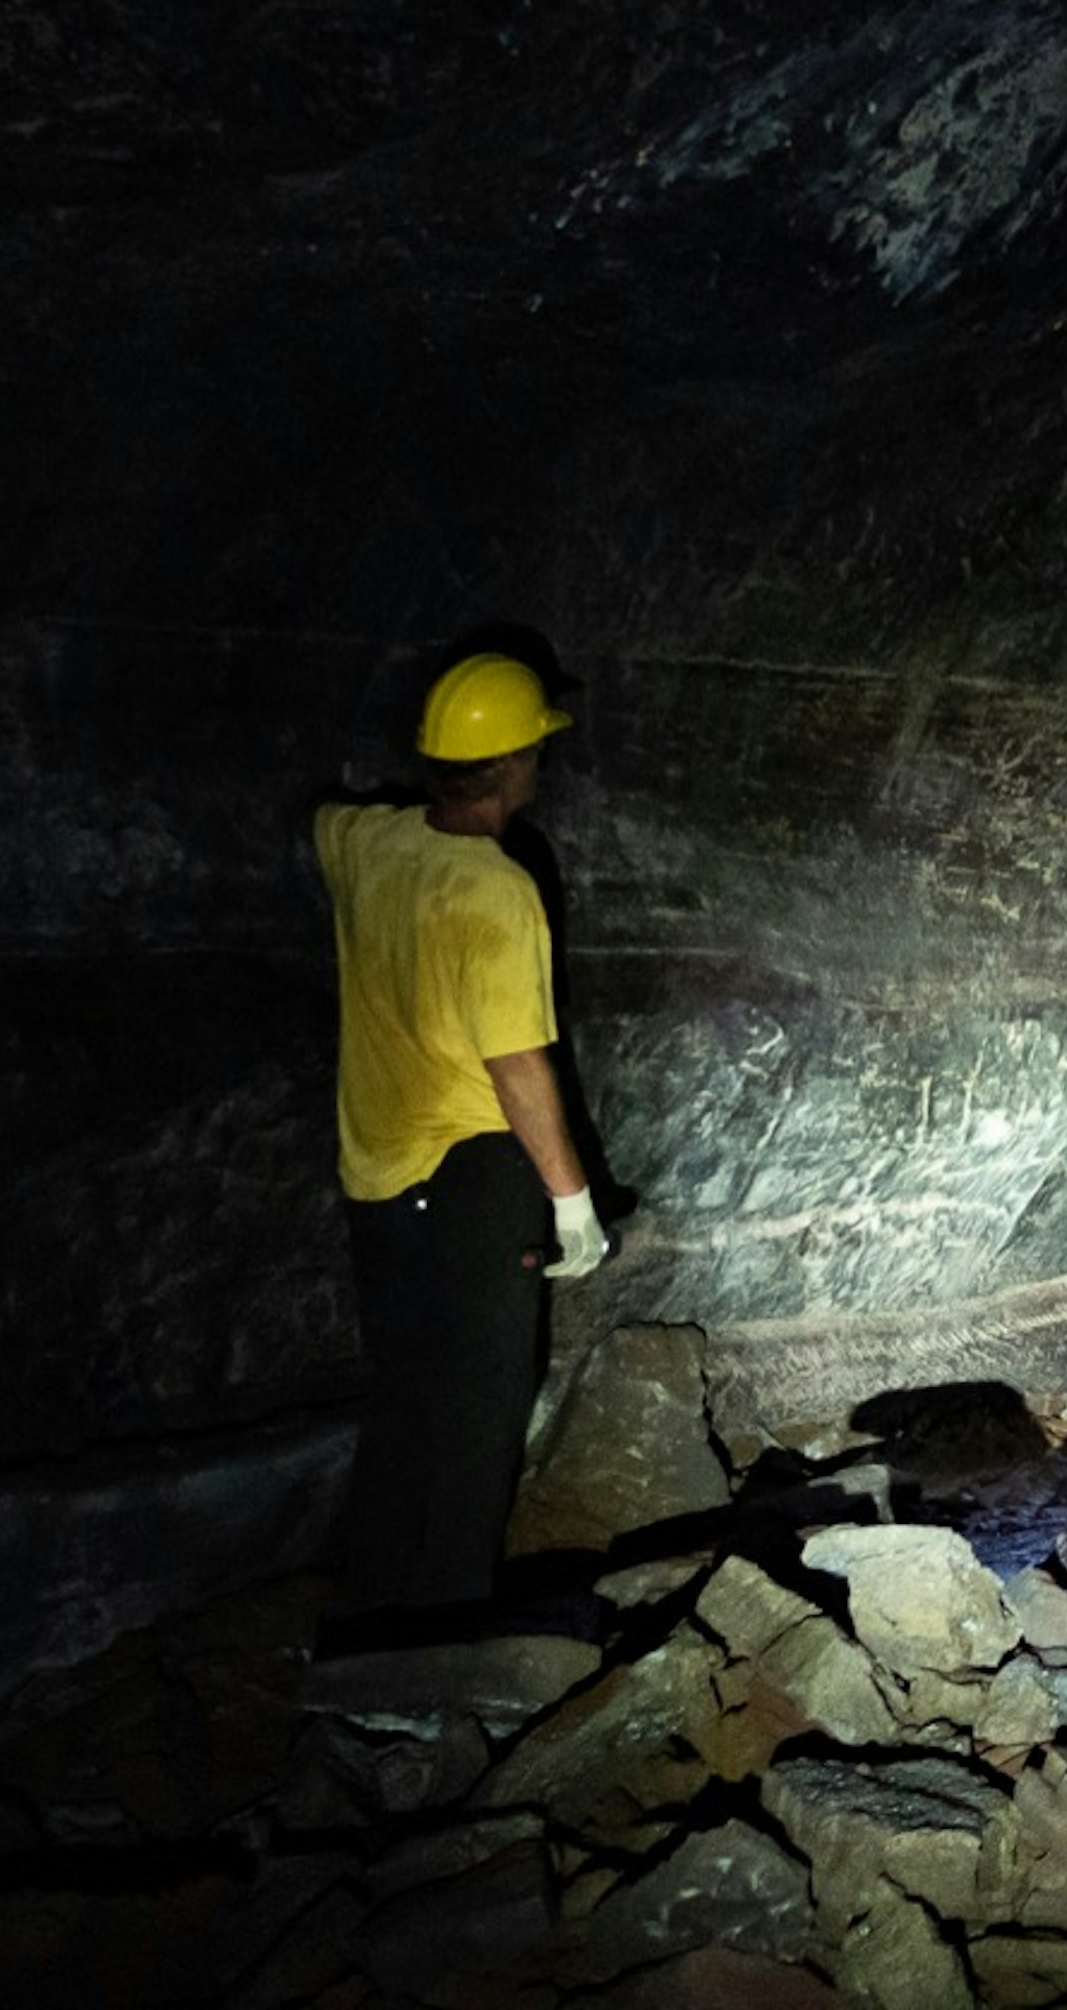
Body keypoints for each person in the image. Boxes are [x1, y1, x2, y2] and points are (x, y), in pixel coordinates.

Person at [315, 649, 612, 1625]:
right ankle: (444, 1622)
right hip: (472, 1170)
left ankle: (368, 1607)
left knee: (404, 1391)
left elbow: (320, 818)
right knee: (483, 1400)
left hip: (375, 1170)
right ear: (517, 762)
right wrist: (571, 1203)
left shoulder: (364, 841)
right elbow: (519, 1067)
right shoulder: (496, 892)